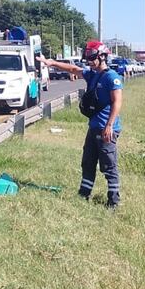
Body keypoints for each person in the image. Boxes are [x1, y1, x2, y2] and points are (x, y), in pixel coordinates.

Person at [39, 40, 123, 209]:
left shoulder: (111, 77)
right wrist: (51, 63)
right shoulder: (93, 74)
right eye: (87, 58)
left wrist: (109, 126)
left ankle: (113, 201)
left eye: (92, 58)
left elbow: (117, 102)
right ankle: (84, 194)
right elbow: (73, 69)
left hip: (106, 129)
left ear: (102, 57)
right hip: (94, 127)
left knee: (108, 166)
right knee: (88, 162)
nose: (89, 61)